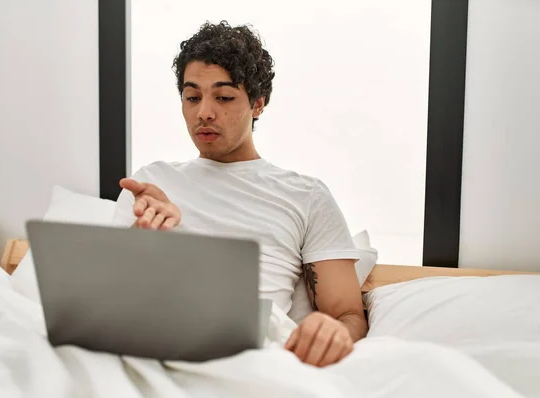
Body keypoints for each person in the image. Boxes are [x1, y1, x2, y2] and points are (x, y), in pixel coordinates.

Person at [112, 21, 368, 367]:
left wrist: (333, 332)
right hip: (150, 343)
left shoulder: (305, 196)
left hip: (244, 354)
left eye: (224, 97)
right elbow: (110, 299)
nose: (203, 112)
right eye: (192, 97)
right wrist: (145, 239)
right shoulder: (151, 185)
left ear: (258, 104)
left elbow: (348, 314)